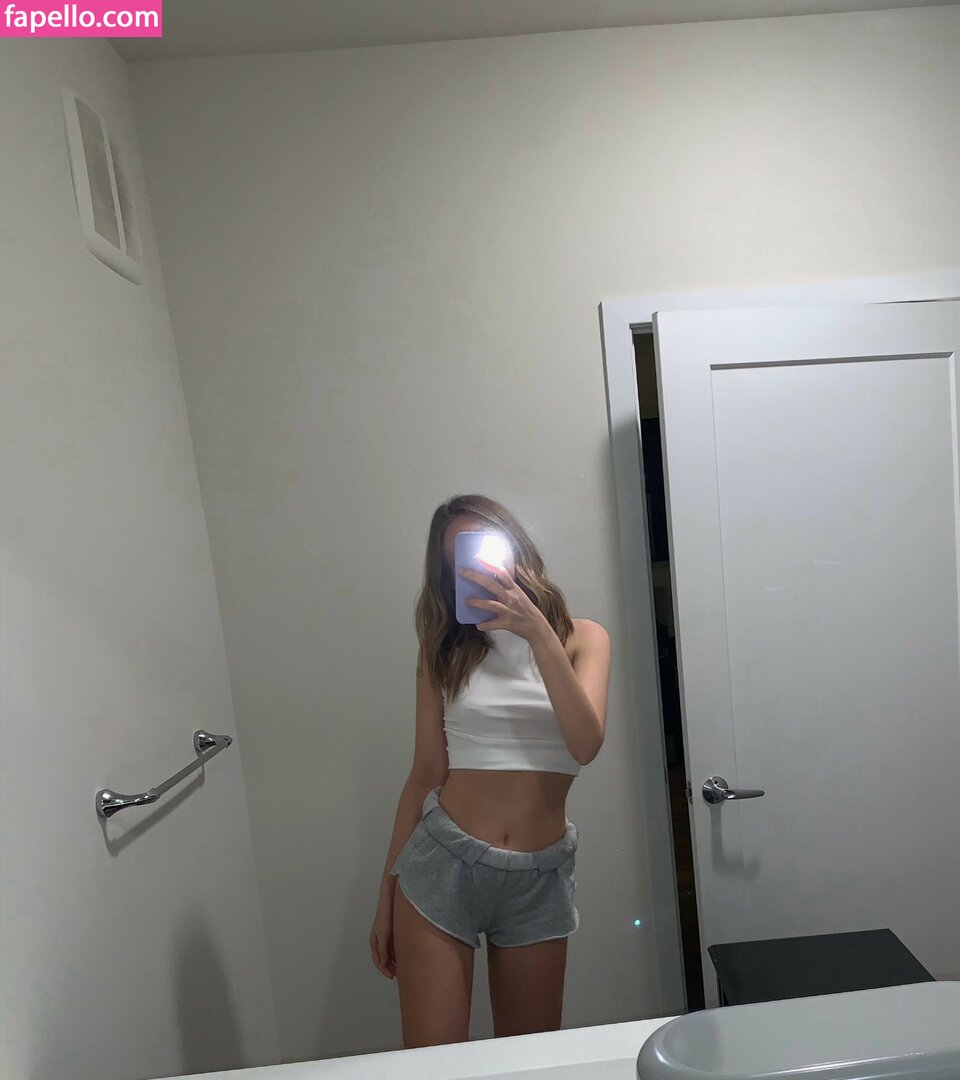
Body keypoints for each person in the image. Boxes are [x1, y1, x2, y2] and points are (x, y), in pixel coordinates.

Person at [369, 494, 611, 1048]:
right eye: (460, 560)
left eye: (485, 550)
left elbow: (585, 744)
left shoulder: (585, 638)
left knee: (529, 1061)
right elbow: (424, 774)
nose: (477, 570)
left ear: (516, 548)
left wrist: (536, 632)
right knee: (435, 1067)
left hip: (539, 879)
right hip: (442, 866)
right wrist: (385, 895)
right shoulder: (443, 648)